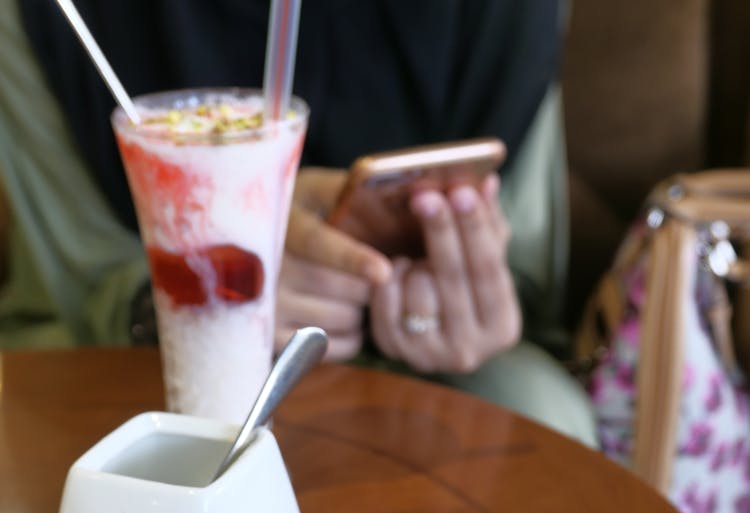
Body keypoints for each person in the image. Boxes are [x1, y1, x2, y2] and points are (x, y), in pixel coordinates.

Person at [0, 0, 597, 444]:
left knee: (540, 413)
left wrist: (456, 296)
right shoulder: (50, 17)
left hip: (427, 368)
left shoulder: (508, 16)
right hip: (129, 351)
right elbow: (68, 279)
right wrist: (185, 290)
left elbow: (525, 278)